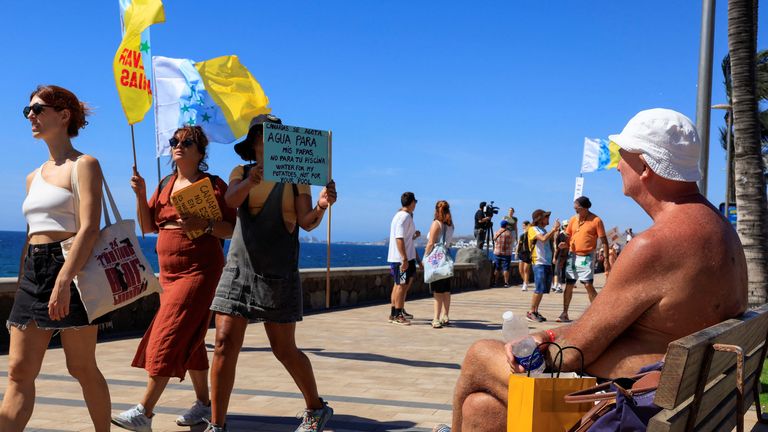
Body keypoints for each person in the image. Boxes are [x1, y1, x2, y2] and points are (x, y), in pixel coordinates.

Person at [435, 108, 748, 432]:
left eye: (620, 155)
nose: (616, 165)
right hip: (681, 407)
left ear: (643, 165)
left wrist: (545, 341)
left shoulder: (656, 244)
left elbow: (571, 354)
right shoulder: (724, 232)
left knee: (480, 355)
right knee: (481, 409)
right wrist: (549, 334)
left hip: (627, 414)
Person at [206, 114, 337, 432]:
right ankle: (216, 425)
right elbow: (230, 199)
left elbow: (306, 222)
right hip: (238, 269)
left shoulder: (296, 178)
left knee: (284, 349)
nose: (270, 139)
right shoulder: (241, 172)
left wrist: (320, 205)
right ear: (254, 143)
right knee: (223, 342)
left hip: (277, 272)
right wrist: (251, 181)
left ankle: (316, 407)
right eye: (263, 135)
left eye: (274, 134)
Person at [0, 85, 111, 431]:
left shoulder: (84, 165)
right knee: (19, 371)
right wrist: (23, 281)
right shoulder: (33, 175)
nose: (30, 116)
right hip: (34, 269)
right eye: (27, 111)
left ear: (64, 115)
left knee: (80, 367)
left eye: (37, 109)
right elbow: (33, 232)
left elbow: (90, 228)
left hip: (70, 269)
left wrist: (63, 280)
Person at [111, 126, 236, 431]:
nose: (178, 145)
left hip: (199, 272)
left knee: (166, 336)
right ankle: (204, 405)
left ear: (200, 152)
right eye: (174, 141)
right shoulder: (166, 183)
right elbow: (147, 225)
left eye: (187, 142)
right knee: (190, 339)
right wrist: (141, 195)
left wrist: (205, 224)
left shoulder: (213, 185)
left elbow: (231, 229)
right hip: (168, 273)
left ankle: (145, 411)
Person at [556, 196, 610, 322]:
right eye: (574, 209)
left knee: (587, 284)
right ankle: (564, 313)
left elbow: (604, 241)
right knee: (569, 284)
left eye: (577, 209)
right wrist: (565, 244)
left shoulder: (596, 220)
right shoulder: (573, 220)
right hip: (572, 255)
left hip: (587, 256)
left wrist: (606, 259)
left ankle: (598, 312)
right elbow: (568, 236)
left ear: (585, 208)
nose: (575, 211)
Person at [387, 192, 421, 325]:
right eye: (415, 202)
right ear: (412, 202)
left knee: (398, 285)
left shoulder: (400, 216)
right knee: (401, 286)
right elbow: (399, 238)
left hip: (401, 258)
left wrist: (414, 236)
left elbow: (404, 238)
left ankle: (393, 313)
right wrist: (404, 259)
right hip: (401, 259)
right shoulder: (405, 217)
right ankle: (398, 315)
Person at [424, 200, 455, 329]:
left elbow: (431, 243)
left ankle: (436, 318)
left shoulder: (436, 224)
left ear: (436, 210)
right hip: (446, 260)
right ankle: (445, 315)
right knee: (446, 291)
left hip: (436, 262)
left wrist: (425, 256)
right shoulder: (450, 225)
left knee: (437, 292)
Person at [525, 210, 559, 323]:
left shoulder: (543, 230)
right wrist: (553, 230)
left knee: (542, 289)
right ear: (539, 218)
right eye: (546, 217)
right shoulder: (532, 229)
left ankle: (535, 311)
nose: (548, 219)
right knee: (538, 288)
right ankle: (530, 312)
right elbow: (543, 239)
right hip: (539, 261)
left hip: (546, 262)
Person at [491, 220, 514, 288]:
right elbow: (511, 242)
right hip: (506, 253)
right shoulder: (509, 233)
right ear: (506, 225)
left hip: (497, 252)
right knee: (506, 268)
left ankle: (495, 282)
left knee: (497, 268)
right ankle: (506, 283)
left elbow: (494, 239)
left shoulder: (497, 232)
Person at [551, 220, 568, 293]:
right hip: (560, 256)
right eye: (565, 226)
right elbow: (557, 248)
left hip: (567, 256)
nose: (566, 227)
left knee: (563, 271)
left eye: (568, 225)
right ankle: (558, 286)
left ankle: (558, 285)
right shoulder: (561, 235)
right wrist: (555, 257)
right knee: (558, 271)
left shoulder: (570, 235)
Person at [515, 220, 532, 291]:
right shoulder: (521, 235)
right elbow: (519, 244)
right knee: (520, 270)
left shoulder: (530, 234)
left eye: (524, 225)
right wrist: (516, 253)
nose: (523, 227)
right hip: (521, 253)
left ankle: (525, 285)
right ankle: (526, 281)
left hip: (528, 253)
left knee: (526, 270)